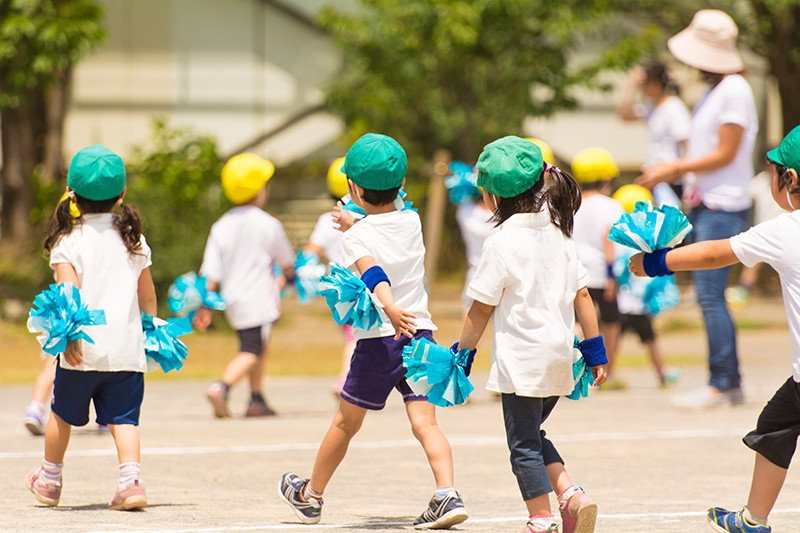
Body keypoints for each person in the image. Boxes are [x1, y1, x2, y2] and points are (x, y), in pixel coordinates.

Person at [278, 133, 468, 530]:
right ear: (401, 187)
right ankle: (447, 494)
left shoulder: (355, 235)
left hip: (381, 338)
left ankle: (311, 495)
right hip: (421, 336)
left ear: (351, 187)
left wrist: (389, 304)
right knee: (426, 423)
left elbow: (373, 269)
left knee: (345, 424)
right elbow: (386, 225)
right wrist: (358, 220)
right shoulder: (411, 220)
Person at [628, 124, 800, 533]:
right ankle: (753, 518)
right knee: (776, 424)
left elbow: (714, 254)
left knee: (775, 427)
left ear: (789, 179)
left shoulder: (786, 229)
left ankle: (754, 519)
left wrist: (656, 264)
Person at [453, 136, 607, 533]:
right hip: (561, 359)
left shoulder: (501, 242)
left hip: (522, 365)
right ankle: (571, 496)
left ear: (489, 196)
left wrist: (463, 355)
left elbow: (481, 309)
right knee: (532, 436)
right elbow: (584, 295)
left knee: (521, 447)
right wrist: (595, 351)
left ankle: (541, 520)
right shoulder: (561, 233)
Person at [636, 9, 758, 409]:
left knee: (710, 294)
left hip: (725, 204)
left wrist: (673, 168)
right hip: (708, 202)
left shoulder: (734, 89)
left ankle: (721, 381)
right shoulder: (717, 91)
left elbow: (725, 152)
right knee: (710, 294)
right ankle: (728, 380)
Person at [25, 144, 155, 510]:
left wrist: (65, 338)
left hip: (82, 350)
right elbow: (148, 296)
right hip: (127, 351)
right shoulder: (133, 239)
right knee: (124, 421)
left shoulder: (69, 240)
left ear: (70, 191)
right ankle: (131, 482)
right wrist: (150, 329)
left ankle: (49, 480)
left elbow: (69, 295)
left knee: (62, 416)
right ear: (122, 193)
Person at [194, 153, 295, 418]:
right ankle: (222, 387)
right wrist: (292, 275)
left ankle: (256, 398)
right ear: (259, 190)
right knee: (253, 349)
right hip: (259, 299)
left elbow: (211, 272)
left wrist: (206, 304)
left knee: (255, 345)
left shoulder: (221, 225)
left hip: (233, 300)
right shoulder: (268, 224)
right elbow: (287, 261)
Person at [611, 184, 681, 387]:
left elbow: (617, 271)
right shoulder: (648, 238)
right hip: (636, 304)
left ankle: (606, 374)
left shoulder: (619, 237)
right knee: (650, 339)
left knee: (614, 340)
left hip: (623, 301)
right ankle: (662, 374)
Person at [571, 147, 626, 389]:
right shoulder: (611, 206)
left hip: (573, 272)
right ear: (606, 177)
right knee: (611, 322)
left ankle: (573, 369)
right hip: (603, 273)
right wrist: (613, 276)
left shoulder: (571, 203)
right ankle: (607, 373)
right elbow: (609, 240)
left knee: (575, 322)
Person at [303, 157, 357, 395]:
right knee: (355, 336)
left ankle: (353, 380)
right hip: (359, 284)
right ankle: (344, 381)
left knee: (354, 334)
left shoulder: (327, 220)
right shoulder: (363, 217)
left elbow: (308, 254)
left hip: (336, 287)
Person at [617, 62, 690, 209]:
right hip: (654, 175)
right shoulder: (651, 107)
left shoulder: (674, 107)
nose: (643, 89)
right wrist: (632, 84)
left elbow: (689, 144)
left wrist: (676, 170)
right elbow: (624, 115)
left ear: (656, 84)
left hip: (669, 177)